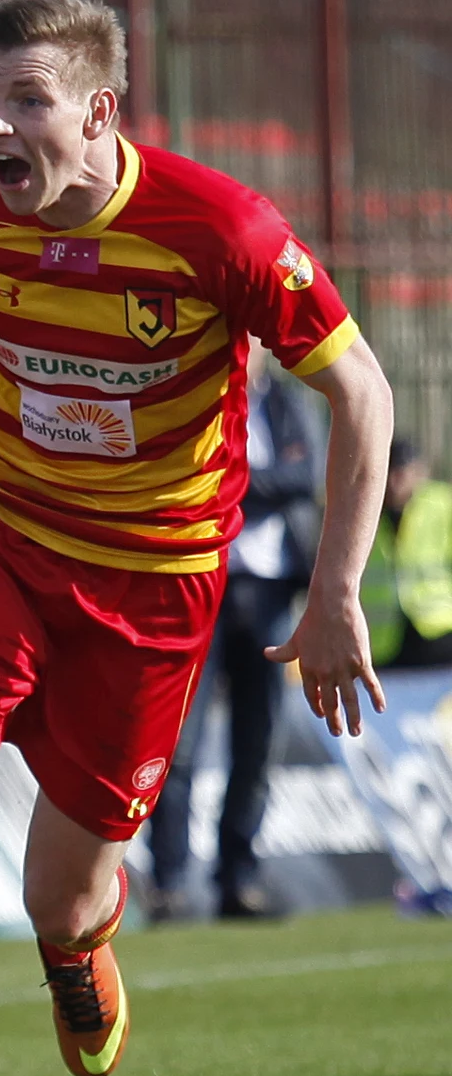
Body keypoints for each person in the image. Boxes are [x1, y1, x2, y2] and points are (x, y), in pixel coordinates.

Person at [0, 0, 393, 1076]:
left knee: (59, 895)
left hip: (147, 587)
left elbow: (360, 392)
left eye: (25, 100)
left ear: (96, 110)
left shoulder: (218, 228)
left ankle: (76, 956)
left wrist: (332, 593)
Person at [147, 340, 322, 920]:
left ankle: (237, 880)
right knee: (179, 743)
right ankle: (168, 882)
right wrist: (251, 482)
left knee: (257, 741)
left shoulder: (284, 402)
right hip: (202, 588)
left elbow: (303, 476)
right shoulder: (195, 403)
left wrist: (237, 481)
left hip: (268, 591)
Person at [361, 438, 452, 669]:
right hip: (383, 640)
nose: (393, 483)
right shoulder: (364, 509)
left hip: (438, 630)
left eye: (401, 474)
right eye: (387, 474)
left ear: (419, 472)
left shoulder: (441, 504)